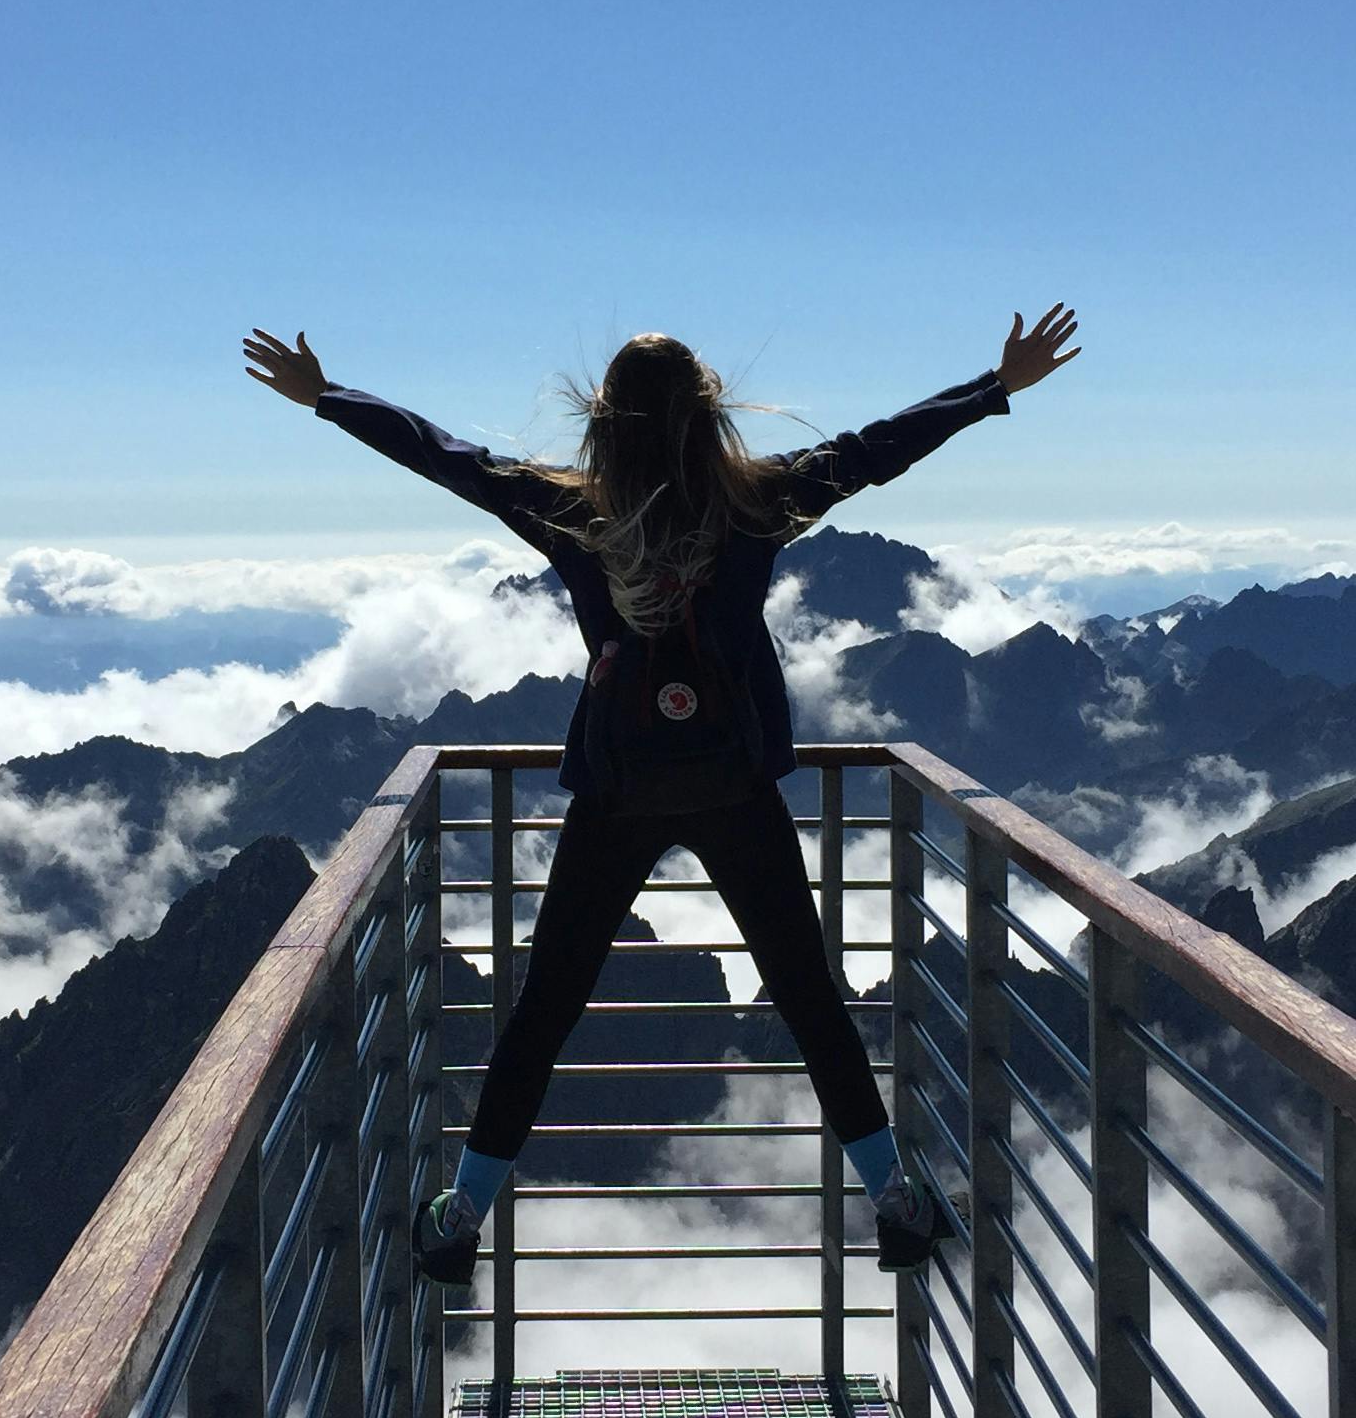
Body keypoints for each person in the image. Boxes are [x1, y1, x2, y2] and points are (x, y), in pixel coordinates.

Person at [240, 308, 1082, 1282]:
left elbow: (447, 457)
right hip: (733, 786)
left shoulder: (569, 512)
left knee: (545, 1006)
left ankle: (462, 1212)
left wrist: (328, 397)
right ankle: (895, 1196)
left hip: (618, 790)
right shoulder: (760, 504)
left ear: (604, 422)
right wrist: (995, 385)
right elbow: (878, 449)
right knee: (810, 998)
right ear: (709, 412)